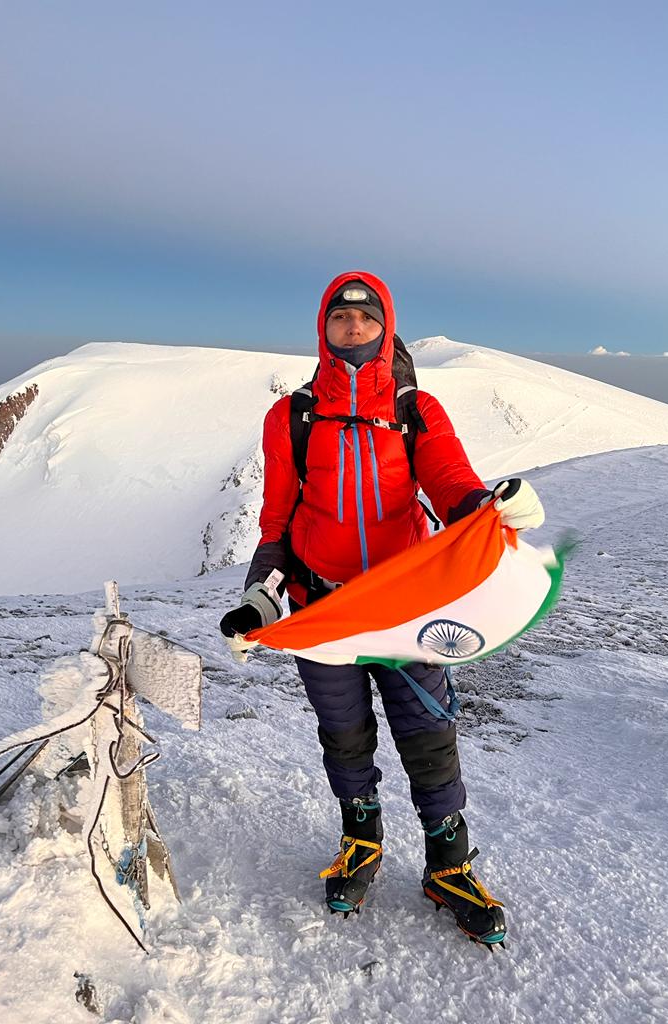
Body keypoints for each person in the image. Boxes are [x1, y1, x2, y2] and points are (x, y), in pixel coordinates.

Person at [220, 271, 545, 947]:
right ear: (324, 328)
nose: (354, 327)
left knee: (429, 736)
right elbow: (277, 522)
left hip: (407, 610)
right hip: (324, 611)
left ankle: (448, 867)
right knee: (344, 734)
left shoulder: (414, 410)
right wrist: (260, 596)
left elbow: (450, 481)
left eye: (366, 318)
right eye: (341, 317)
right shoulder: (292, 418)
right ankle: (360, 844)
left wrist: (488, 509)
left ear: (386, 327)